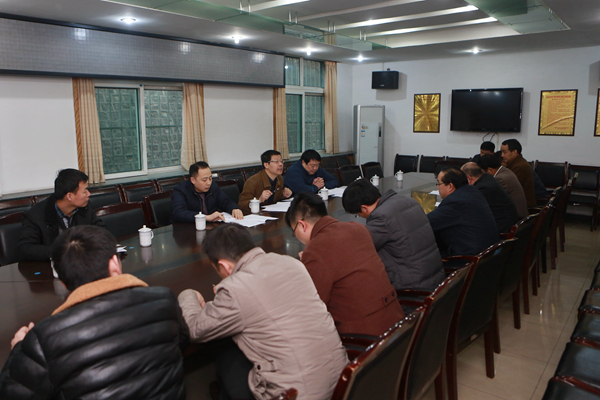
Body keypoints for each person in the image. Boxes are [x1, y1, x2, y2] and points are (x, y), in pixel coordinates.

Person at [1, 226, 189, 399]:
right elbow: (182, 340)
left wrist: (20, 349)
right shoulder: (164, 300)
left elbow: (11, 393)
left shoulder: (44, 337)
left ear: (64, 283)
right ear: (115, 263)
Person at [178, 224, 347, 400]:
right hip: (341, 382)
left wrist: (188, 295)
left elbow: (193, 329)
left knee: (225, 353)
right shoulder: (292, 263)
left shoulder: (235, 289)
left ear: (224, 266)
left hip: (296, 395)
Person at [285, 192, 404, 337]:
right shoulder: (358, 228)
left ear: (302, 225)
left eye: (294, 232)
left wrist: (306, 266)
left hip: (365, 338)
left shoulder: (315, 249)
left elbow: (313, 306)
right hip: (397, 325)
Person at [342, 179, 445, 292]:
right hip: (435, 279)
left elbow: (358, 249)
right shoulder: (406, 200)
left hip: (413, 289)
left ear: (364, 208)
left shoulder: (381, 218)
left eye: (358, 214)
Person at [18, 168, 105, 261]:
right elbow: (25, 249)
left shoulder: (85, 207)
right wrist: (63, 251)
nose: (89, 194)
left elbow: (102, 231)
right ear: (69, 196)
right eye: (85, 191)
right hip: (51, 266)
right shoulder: (36, 215)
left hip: (81, 263)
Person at [427, 167, 499, 257]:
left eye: (439, 184)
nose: (438, 187)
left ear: (450, 186)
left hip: (469, 259)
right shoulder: (473, 191)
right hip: (488, 254)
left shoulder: (455, 203)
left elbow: (426, 223)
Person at [171, 161, 243, 223]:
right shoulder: (181, 191)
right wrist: (206, 217)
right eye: (204, 180)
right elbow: (179, 213)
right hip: (187, 229)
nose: (208, 183)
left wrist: (234, 209)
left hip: (210, 226)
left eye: (210, 178)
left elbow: (225, 201)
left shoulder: (213, 186)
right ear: (193, 180)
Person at [461, 162, 520, 234]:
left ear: (469, 178)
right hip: (507, 223)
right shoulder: (488, 178)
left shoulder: (482, 188)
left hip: (502, 229)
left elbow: (470, 211)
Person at [478, 153, 529, 218]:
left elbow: (490, 202)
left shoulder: (500, 179)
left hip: (516, 218)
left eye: (482, 172)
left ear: (490, 170)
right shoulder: (506, 171)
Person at [500, 139, 537, 208]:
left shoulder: (520, 166)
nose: (502, 155)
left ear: (514, 152)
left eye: (504, 152)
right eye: (501, 152)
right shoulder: (515, 163)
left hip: (522, 206)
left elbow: (508, 188)